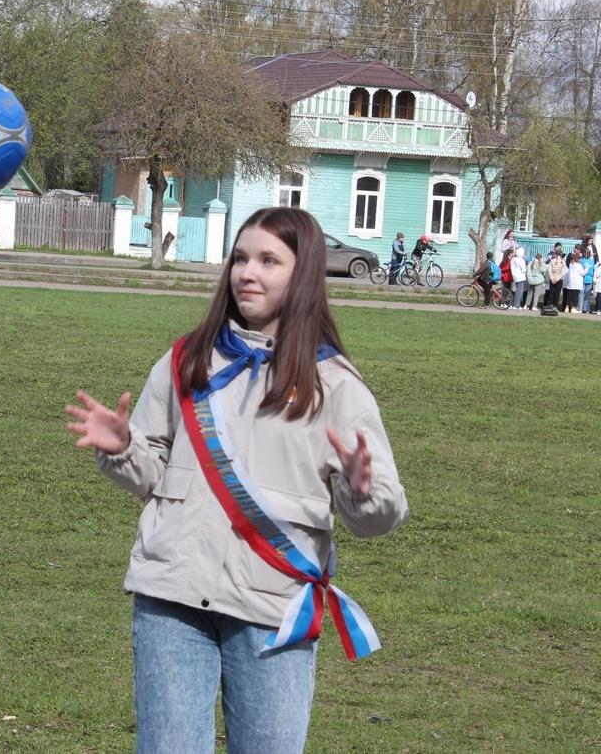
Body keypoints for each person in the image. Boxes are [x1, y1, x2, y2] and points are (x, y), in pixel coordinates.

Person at [64, 207, 407, 754]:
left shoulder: (336, 386)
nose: (248, 272)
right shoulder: (186, 359)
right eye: (241, 258)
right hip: (172, 597)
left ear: (304, 275)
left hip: (274, 611)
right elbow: (150, 473)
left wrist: (361, 492)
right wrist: (124, 447)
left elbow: (384, 511)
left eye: (269, 260)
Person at [563, 247, 584, 313]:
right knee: (575, 296)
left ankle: (566, 307)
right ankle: (573, 308)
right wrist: (587, 268)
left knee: (569, 295)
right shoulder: (579, 265)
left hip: (571, 282)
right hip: (577, 283)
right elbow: (582, 273)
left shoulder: (571, 264)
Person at [580, 247, 595, 315]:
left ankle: (586, 308)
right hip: (583, 279)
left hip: (589, 279)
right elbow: (581, 271)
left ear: (589, 254)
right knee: (581, 294)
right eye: (585, 253)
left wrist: (587, 272)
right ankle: (581, 308)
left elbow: (592, 271)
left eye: (587, 253)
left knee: (587, 295)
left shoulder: (592, 261)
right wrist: (586, 272)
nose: (586, 254)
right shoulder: (582, 260)